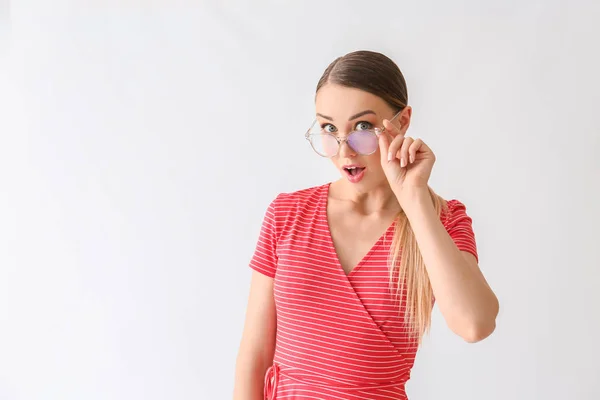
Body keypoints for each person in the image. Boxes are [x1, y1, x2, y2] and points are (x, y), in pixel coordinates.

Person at [233, 50, 499, 400]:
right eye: (329, 128)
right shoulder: (288, 214)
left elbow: (474, 324)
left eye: (363, 127)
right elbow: (254, 359)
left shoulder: (442, 221)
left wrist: (414, 198)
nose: (345, 152)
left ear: (403, 122)